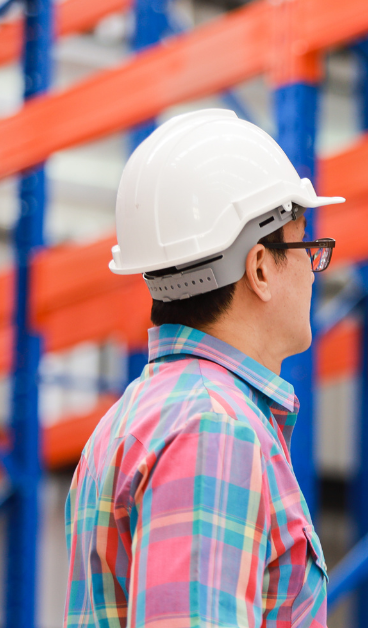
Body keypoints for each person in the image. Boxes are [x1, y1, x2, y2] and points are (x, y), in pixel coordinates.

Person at [64, 109, 340, 628]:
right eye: (309, 247)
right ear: (260, 267)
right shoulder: (214, 428)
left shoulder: (128, 422)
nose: (314, 268)